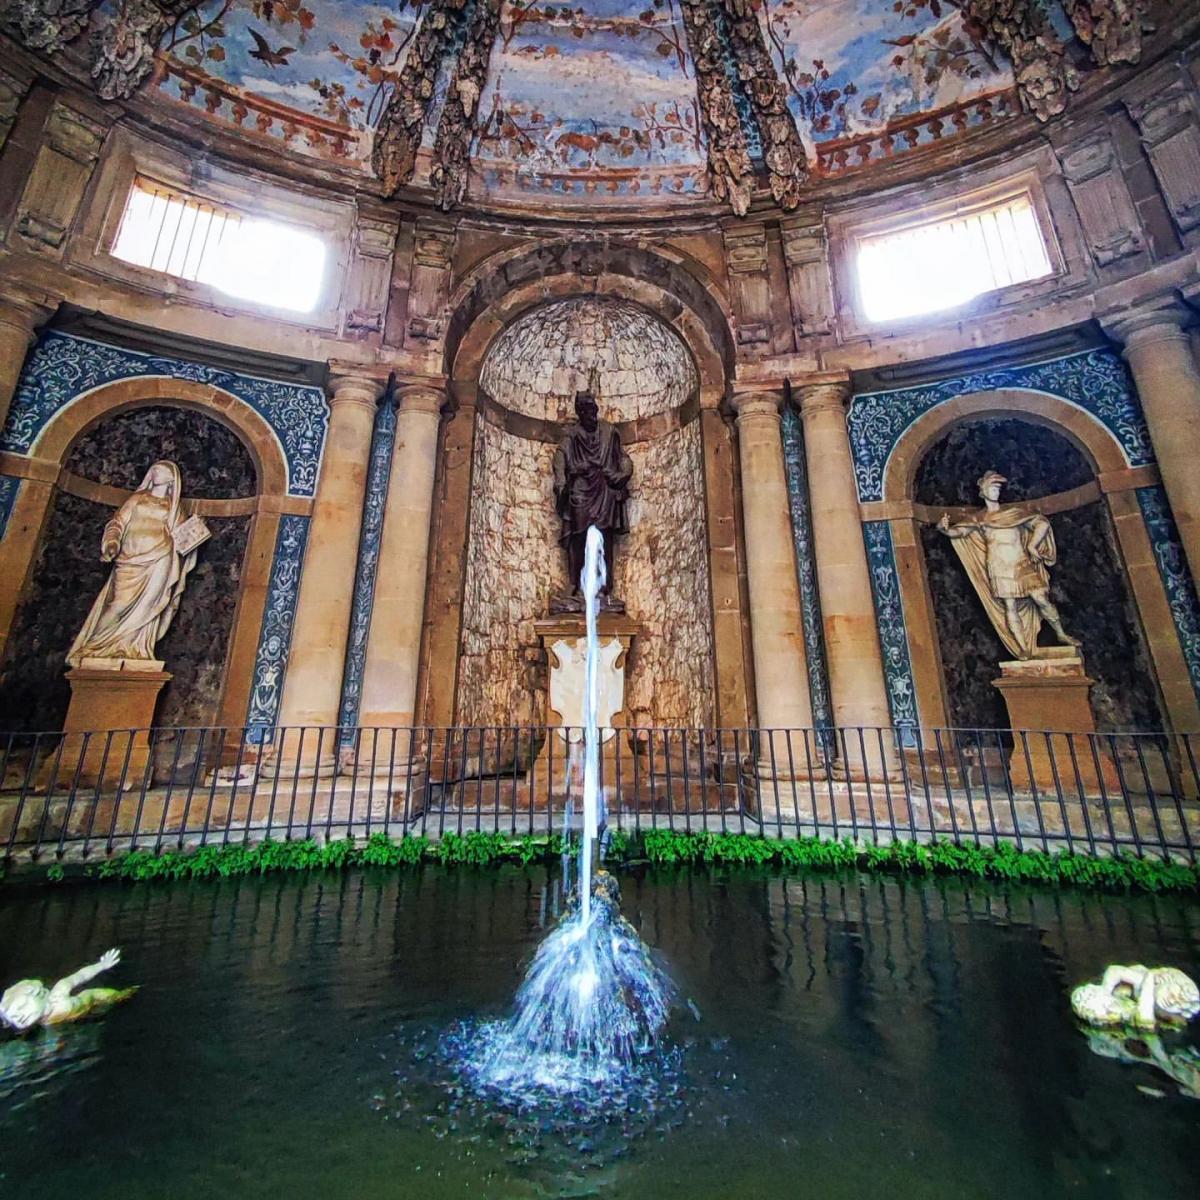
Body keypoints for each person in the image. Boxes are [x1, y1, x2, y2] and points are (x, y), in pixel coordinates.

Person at [66, 460, 200, 667]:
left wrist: (196, 531)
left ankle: (134, 649)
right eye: (154, 470)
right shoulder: (138, 499)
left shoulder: (173, 507)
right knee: (118, 605)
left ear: (171, 479)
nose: (155, 473)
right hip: (131, 558)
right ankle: (93, 646)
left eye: (160, 471)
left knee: (149, 604)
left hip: (160, 559)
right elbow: (117, 523)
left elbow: (182, 538)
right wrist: (112, 542)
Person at [938, 469, 1079, 660]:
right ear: (983, 491)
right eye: (992, 487)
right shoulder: (979, 518)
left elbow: (1042, 523)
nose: (996, 491)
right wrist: (944, 529)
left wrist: (1032, 545)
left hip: (1021, 564)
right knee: (1010, 606)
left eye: (998, 488)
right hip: (999, 568)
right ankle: (1022, 649)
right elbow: (959, 532)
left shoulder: (1013, 513)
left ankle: (1060, 633)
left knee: (1041, 598)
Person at [551, 371, 632, 600]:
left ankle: (605, 586)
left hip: (604, 488)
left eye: (593, 411)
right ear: (580, 414)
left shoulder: (609, 432)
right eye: (585, 412)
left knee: (605, 537)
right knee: (578, 536)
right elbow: (560, 456)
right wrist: (561, 481)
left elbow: (622, 457)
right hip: (580, 488)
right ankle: (575, 583)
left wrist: (623, 473)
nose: (591, 416)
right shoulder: (572, 434)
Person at [1, 948, 135, 1032]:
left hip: (93, 1006)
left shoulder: (60, 993)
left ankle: (127, 993)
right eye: (12, 1017)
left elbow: (80, 976)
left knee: (105, 995)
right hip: (67, 1022)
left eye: (22, 1007)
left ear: (36, 993)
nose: (19, 1017)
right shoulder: (35, 1023)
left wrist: (102, 965)